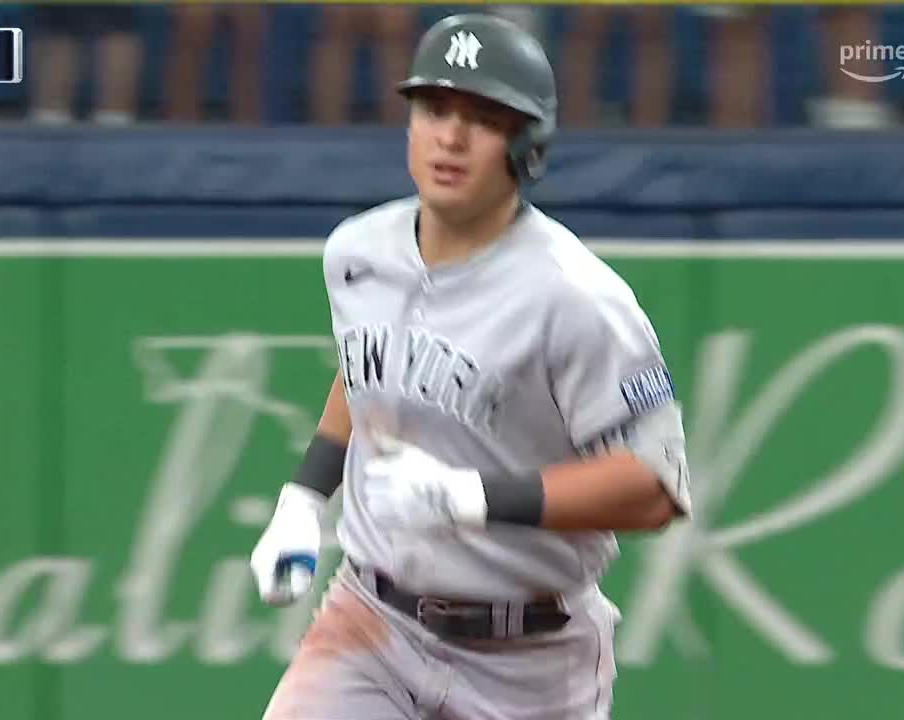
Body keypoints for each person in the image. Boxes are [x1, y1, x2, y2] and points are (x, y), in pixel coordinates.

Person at [249, 13, 692, 720]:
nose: (450, 137)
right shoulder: (358, 251)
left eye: (482, 118)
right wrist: (303, 500)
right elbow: (368, 372)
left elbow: (653, 487)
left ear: (528, 144)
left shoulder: (576, 297)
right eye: (434, 109)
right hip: (373, 620)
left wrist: (469, 498)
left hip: (532, 662)